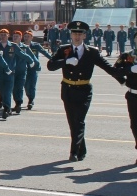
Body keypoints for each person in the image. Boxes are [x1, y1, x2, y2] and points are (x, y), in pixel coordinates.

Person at [47, 20, 123, 162]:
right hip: (68, 89)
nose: (76, 36)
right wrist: (65, 61)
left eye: (79, 34)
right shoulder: (64, 50)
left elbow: (108, 68)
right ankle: (82, 149)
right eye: (74, 33)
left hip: (83, 90)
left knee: (79, 121)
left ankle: (74, 152)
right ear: (71, 35)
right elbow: (50, 66)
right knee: (72, 122)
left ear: (84, 36)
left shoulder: (91, 52)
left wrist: (125, 77)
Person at [114, 30, 137, 164]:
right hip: (133, 95)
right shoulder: (127, 56)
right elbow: (115, 69)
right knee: (135, 125)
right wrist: (127, 73)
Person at [23, 30, 51, 110]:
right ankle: (29, 96)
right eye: (25, 37)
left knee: (32, 85)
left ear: (31, 37)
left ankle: (31, 100)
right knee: (26, 86)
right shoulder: (20, 46)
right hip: (23, 69)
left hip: (33, 69)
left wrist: (53, 59)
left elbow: (44, 53)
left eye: (28, 37)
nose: (26, 38)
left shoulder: (36, 45)